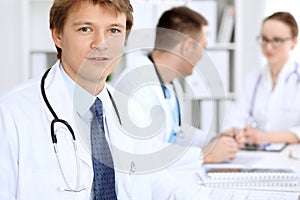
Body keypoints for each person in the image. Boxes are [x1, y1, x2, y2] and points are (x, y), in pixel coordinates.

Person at [0, 0, 194, 199]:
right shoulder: (10, 115)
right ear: (58, 35)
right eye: (85, 29)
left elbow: (158, 184)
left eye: (114, 31)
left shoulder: (133, 112)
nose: (101, 43)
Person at [114, 6, 243, 164]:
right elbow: (145, 152)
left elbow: (176, 133)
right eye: (203, 47)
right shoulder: (136, 85)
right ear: (187, 47)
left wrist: (214, 139)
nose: (203, 55)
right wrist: (204, 155)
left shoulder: (170, 82)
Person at [223, 12, 300, 146]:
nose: (269, 47)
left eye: (277, 40)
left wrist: (264, 136)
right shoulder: (252, 79)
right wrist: (239, 133)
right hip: (258, 153)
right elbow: (235, 118)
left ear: (294, 41)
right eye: (264, 39)